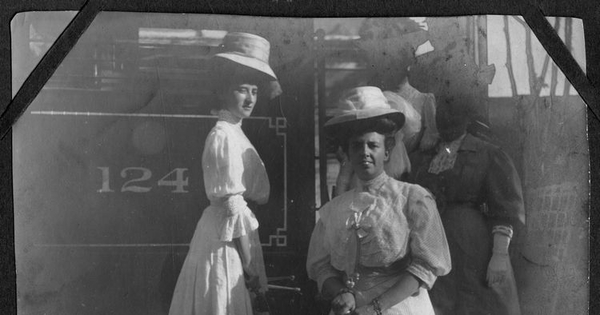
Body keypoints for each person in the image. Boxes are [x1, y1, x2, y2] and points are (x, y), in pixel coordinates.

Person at [307, 86, 452, 315]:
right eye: (356, 146)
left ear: (387, 151)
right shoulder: (334, 210)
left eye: (373, 145)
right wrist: (340, 293)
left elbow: (425, 266)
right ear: (347, 153)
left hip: (399, 307)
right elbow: (321, 267)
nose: (364, 152)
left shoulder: (411, 199)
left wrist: (376, 308)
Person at [168, 32, 281, 315]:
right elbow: (232, 205)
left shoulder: (234, 132)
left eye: (254, 91)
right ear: (223, 91)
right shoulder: (223, 136)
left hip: (233, 234)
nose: (249, 98)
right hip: (225, 241)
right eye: (242, 90)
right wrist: (250, 264)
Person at [408, 94, 525, 315]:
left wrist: (499, 255)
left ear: (467, 116)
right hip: (431, 245)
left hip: (474, 250)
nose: (447, 117)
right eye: (442, 110)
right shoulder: (423, 156)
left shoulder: (488, 154)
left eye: (454, 111)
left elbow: (506, 209)